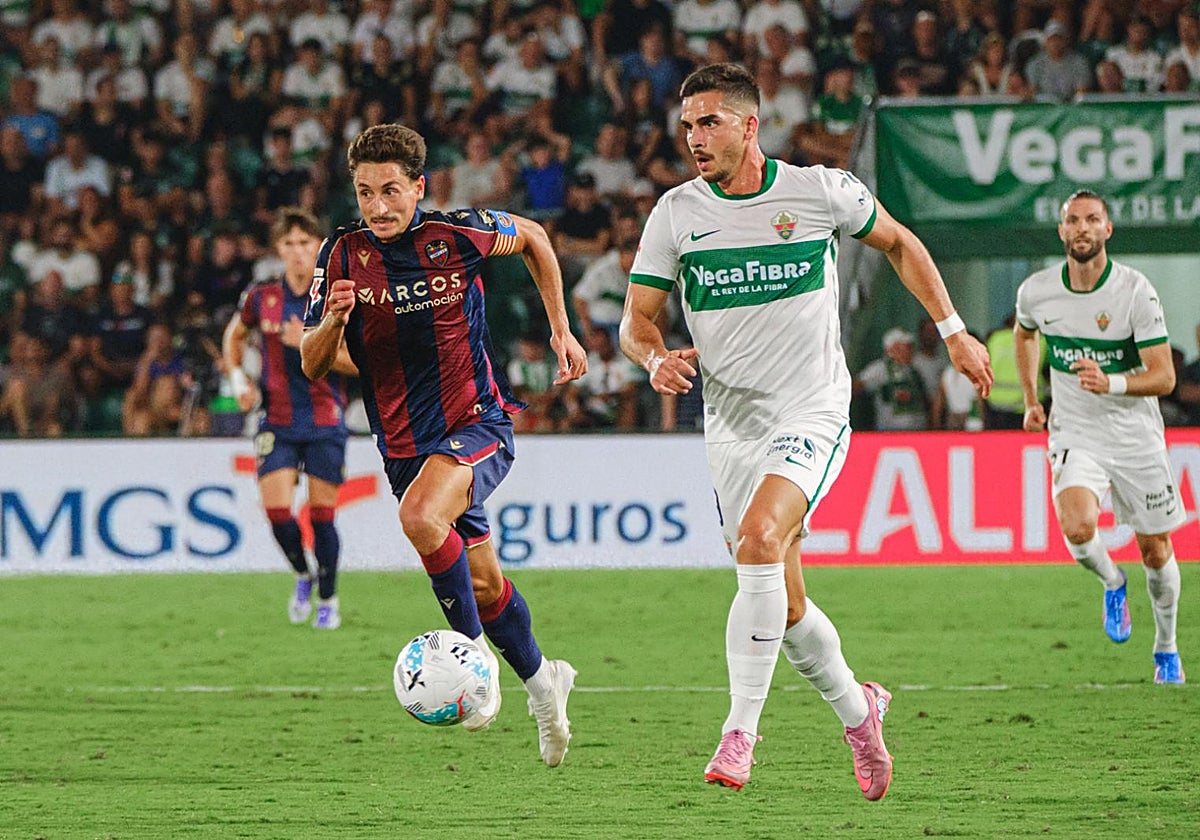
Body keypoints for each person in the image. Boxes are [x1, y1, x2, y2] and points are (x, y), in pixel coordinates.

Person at [619, 63, 992, 796]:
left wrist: (952, 331)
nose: (694, 138)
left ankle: (740, 733)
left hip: (811, 408)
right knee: (781, 603)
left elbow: (902, 244)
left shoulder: (819, 190)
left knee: (759, 538)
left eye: (710, 122)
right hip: (730, 423)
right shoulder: (676, 212)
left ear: (749, 125)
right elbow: (637, 318)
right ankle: (861, 713)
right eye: (687, 125)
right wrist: (653, 357)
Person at [300, 123, 587, 764]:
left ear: (418, 187)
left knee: (420, 516)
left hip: (478, 424)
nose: (378, 206)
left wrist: (561, 331)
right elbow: (313, 362)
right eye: (366, 192)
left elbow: (537, 238)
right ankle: (546, 685)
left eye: (391, 191)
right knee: (484, 587)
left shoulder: (457, 234)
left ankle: (475, 662)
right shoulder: (341, 255)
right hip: (404, 446)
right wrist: (337, 320)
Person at [1015, 190, 1185, 685]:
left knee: (1155, 550)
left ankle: (1166, 646)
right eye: (1073, 220)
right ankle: (1113, 582)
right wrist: (1032, 398)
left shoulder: (1135, 292)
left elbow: (1164, 377)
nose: (1082, 228)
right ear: (1062, 231)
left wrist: (1109, 380)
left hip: (1135, 434)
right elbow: (1026, 335)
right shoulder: (1037, 292)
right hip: (1076, 430)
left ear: (1108, 230)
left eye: (1092, 219)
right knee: (1077, 526)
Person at [223, 208, 351, 630]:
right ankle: (303, 573)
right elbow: (234, 335)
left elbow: (359, 363)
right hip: (275, 418)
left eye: (305, 243)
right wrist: (239, 378)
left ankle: (328, 598)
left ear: (318, 247)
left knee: (321, 516)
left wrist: (310, 344)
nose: (297, 252)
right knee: (277, 512)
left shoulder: (334, 299)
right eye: (289, 244)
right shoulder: (262, 298)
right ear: (278, 250)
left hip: (324, 419)